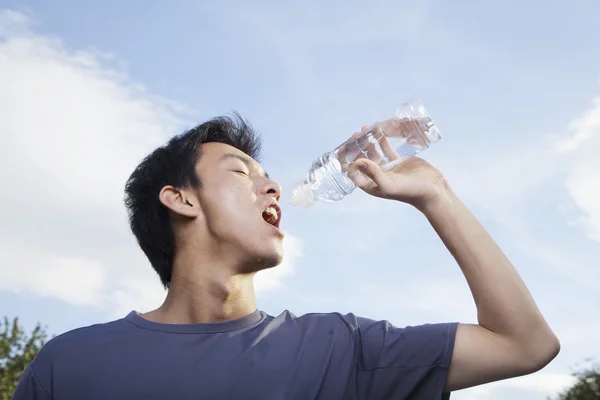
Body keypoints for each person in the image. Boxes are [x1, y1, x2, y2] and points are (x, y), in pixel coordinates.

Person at [12, 114, 560, 399]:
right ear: (180, 199)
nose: (272, 187)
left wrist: (435, 195)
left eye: (270, 178)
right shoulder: (70, 365)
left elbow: (524, 345)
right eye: (240, 172)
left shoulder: (340, 350)